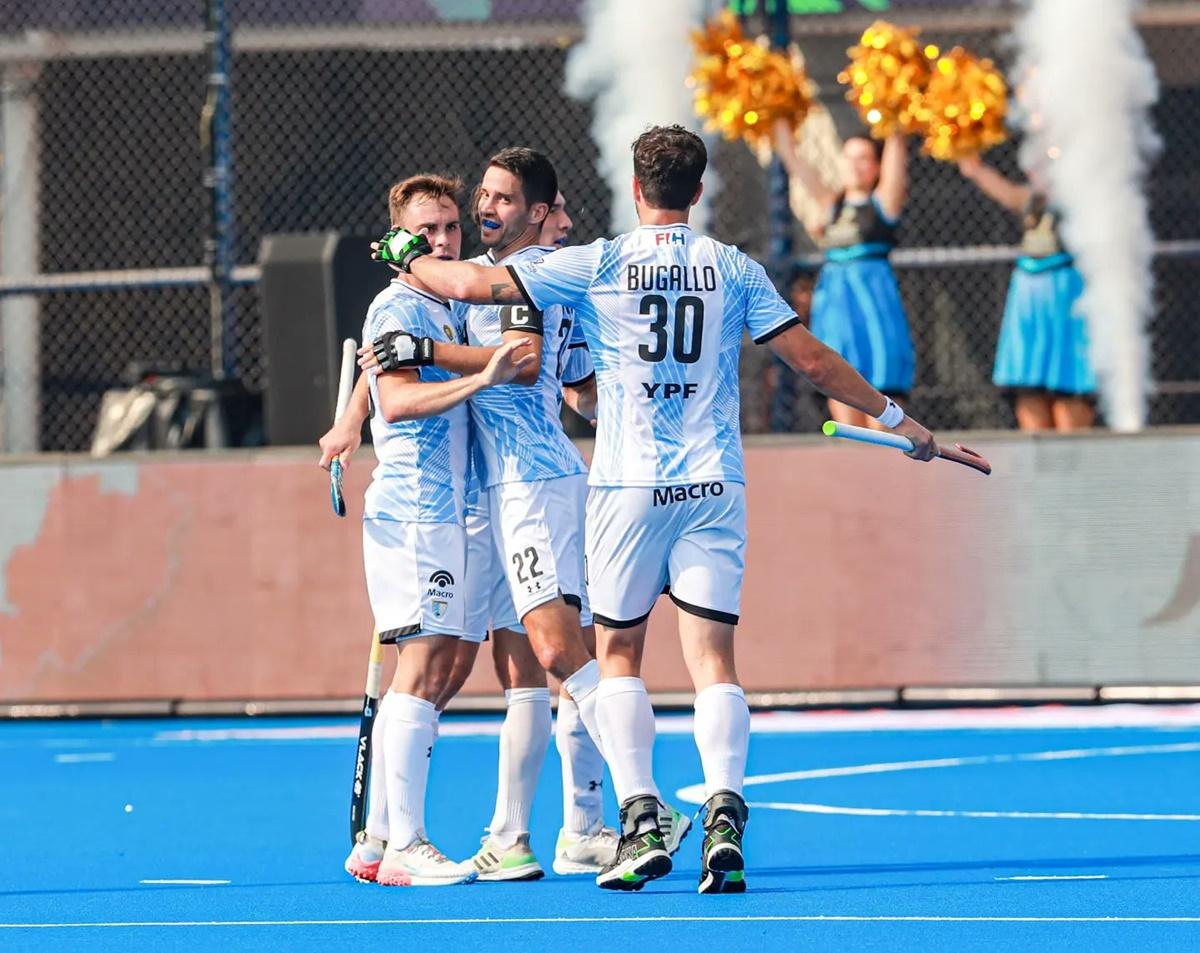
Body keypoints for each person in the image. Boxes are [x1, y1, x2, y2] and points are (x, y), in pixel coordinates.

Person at [369, 124, 939, 894]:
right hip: (712, 483)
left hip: (615, 486)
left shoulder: (596, 263)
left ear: (634, 189)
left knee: (608, 656)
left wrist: (409, 258)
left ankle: (632, 815)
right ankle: (712, 813)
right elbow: (809, 358)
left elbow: (475, 294)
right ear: (699, 192)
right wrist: (898, 421)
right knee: (711, 661)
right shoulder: (732, 267)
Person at [362, 151, 690, 877]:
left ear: (539, 215)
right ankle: (553, 831)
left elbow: (523, 358)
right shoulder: (496, 273)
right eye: (483, 192)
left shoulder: (528, 275)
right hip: (506, 490)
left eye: (503, 198)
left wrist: (423, 341)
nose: (486, 206)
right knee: (527, 666)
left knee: (556, 650)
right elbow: (578, 386)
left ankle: (645, 799)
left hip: (531, 485)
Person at [318, 173, 533, 887]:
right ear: (404, 241)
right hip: (414, 511)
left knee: (441, 664)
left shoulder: (445, 300)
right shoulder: (397, 304)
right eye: (429, 231)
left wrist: (350, 417)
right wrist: (481, 378)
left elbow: (379, 378)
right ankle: (406, 843)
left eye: (450, 228)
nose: (444, 240)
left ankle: (379, 835)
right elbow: (402, 401)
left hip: (450, 509)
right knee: (423, 661)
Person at [772, 119, 915, 428]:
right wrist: (779, 116)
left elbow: (896, 142)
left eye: (864, 158)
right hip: (836, 306)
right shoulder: (830, 204)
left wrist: (894, 111)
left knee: (882, 395)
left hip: (873, 302)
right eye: (849, 158)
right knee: (842, 395)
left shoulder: (882, 203)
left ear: (877, 166)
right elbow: (794, 161)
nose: (855, 166)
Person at [957, 154, 1096, 431]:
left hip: (1066, 301)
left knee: (1069, 387)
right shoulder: (1032, 201)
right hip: (1028, 300)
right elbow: (1009, 194)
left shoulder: (1084, 199)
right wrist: (974, 167)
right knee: (1029, 388)